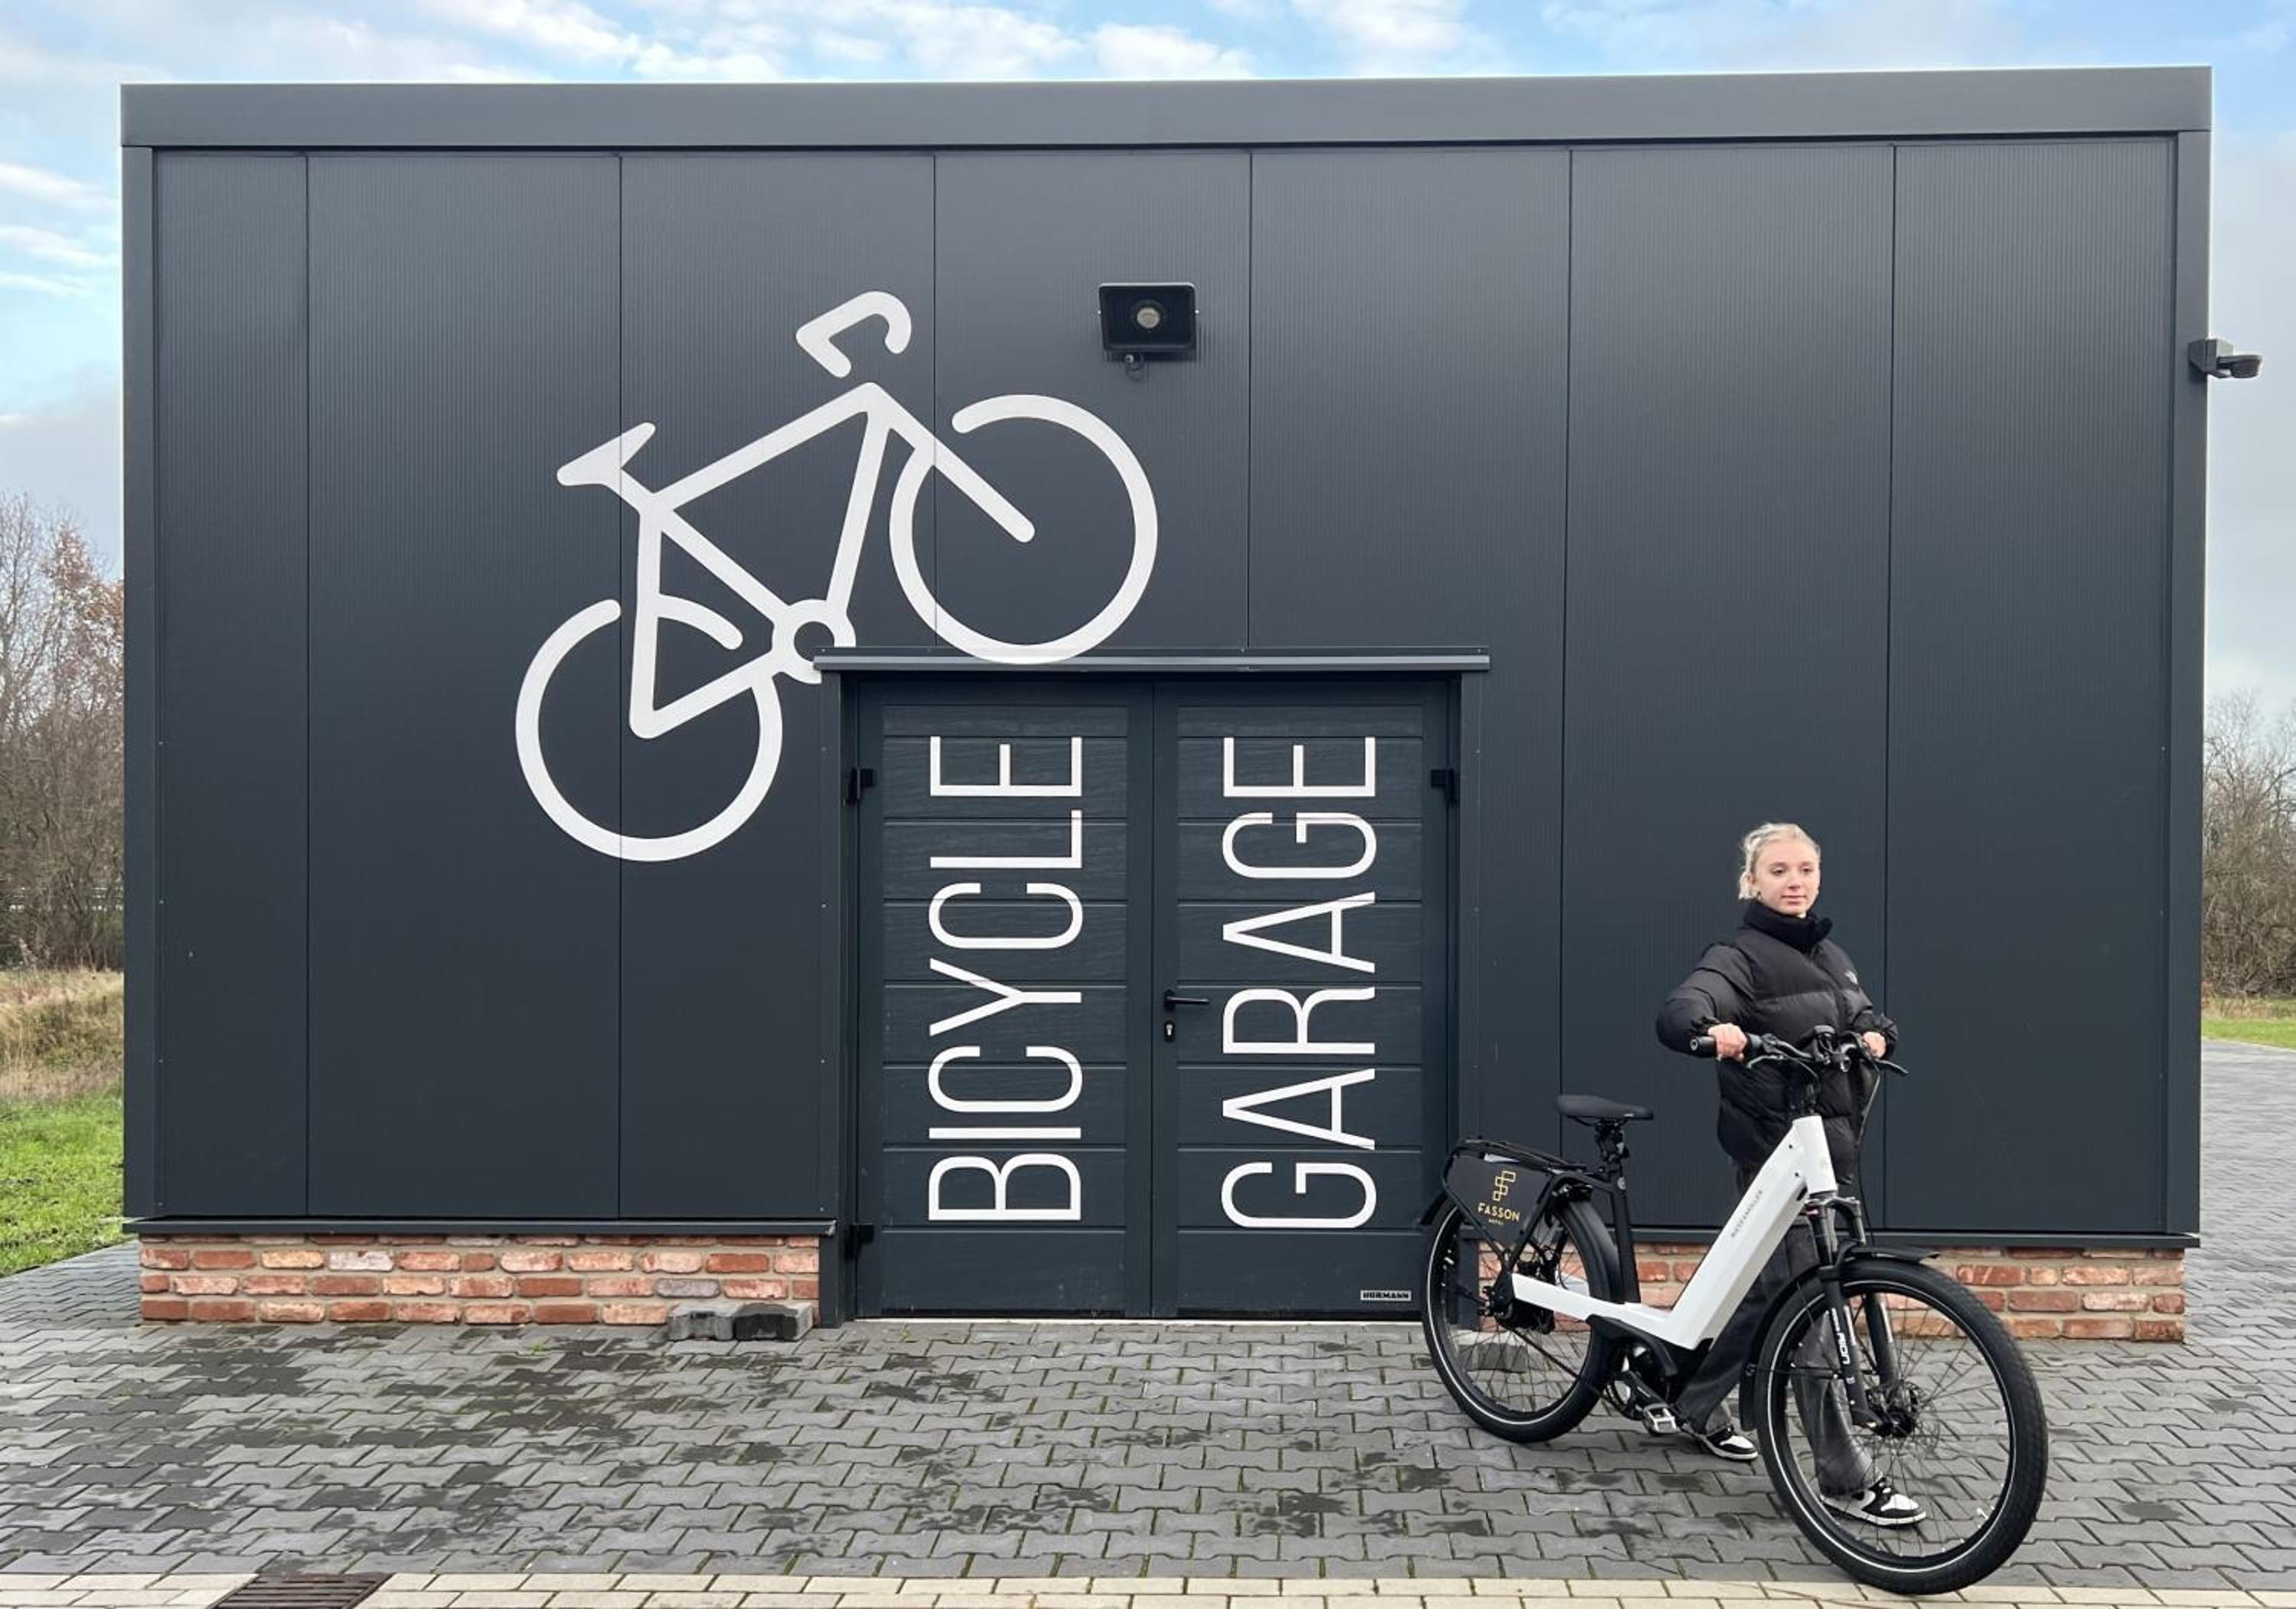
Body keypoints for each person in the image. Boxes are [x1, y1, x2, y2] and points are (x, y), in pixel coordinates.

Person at [1653, 821, 1923, 1528]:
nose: (1794, 881)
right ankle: (1841, 1475)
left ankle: (1687, 1400)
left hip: (1828, 1153)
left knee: (1771, 1292)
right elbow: (1688, 1004)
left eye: (1805, 869)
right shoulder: (1738, 955)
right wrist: (1709, 1029)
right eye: (1778, 870)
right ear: (1752, 881)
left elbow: (1863, 1013)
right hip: (1774, 1154)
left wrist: (1877, 1032)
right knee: (1811, 1312)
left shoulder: (1830, 955)